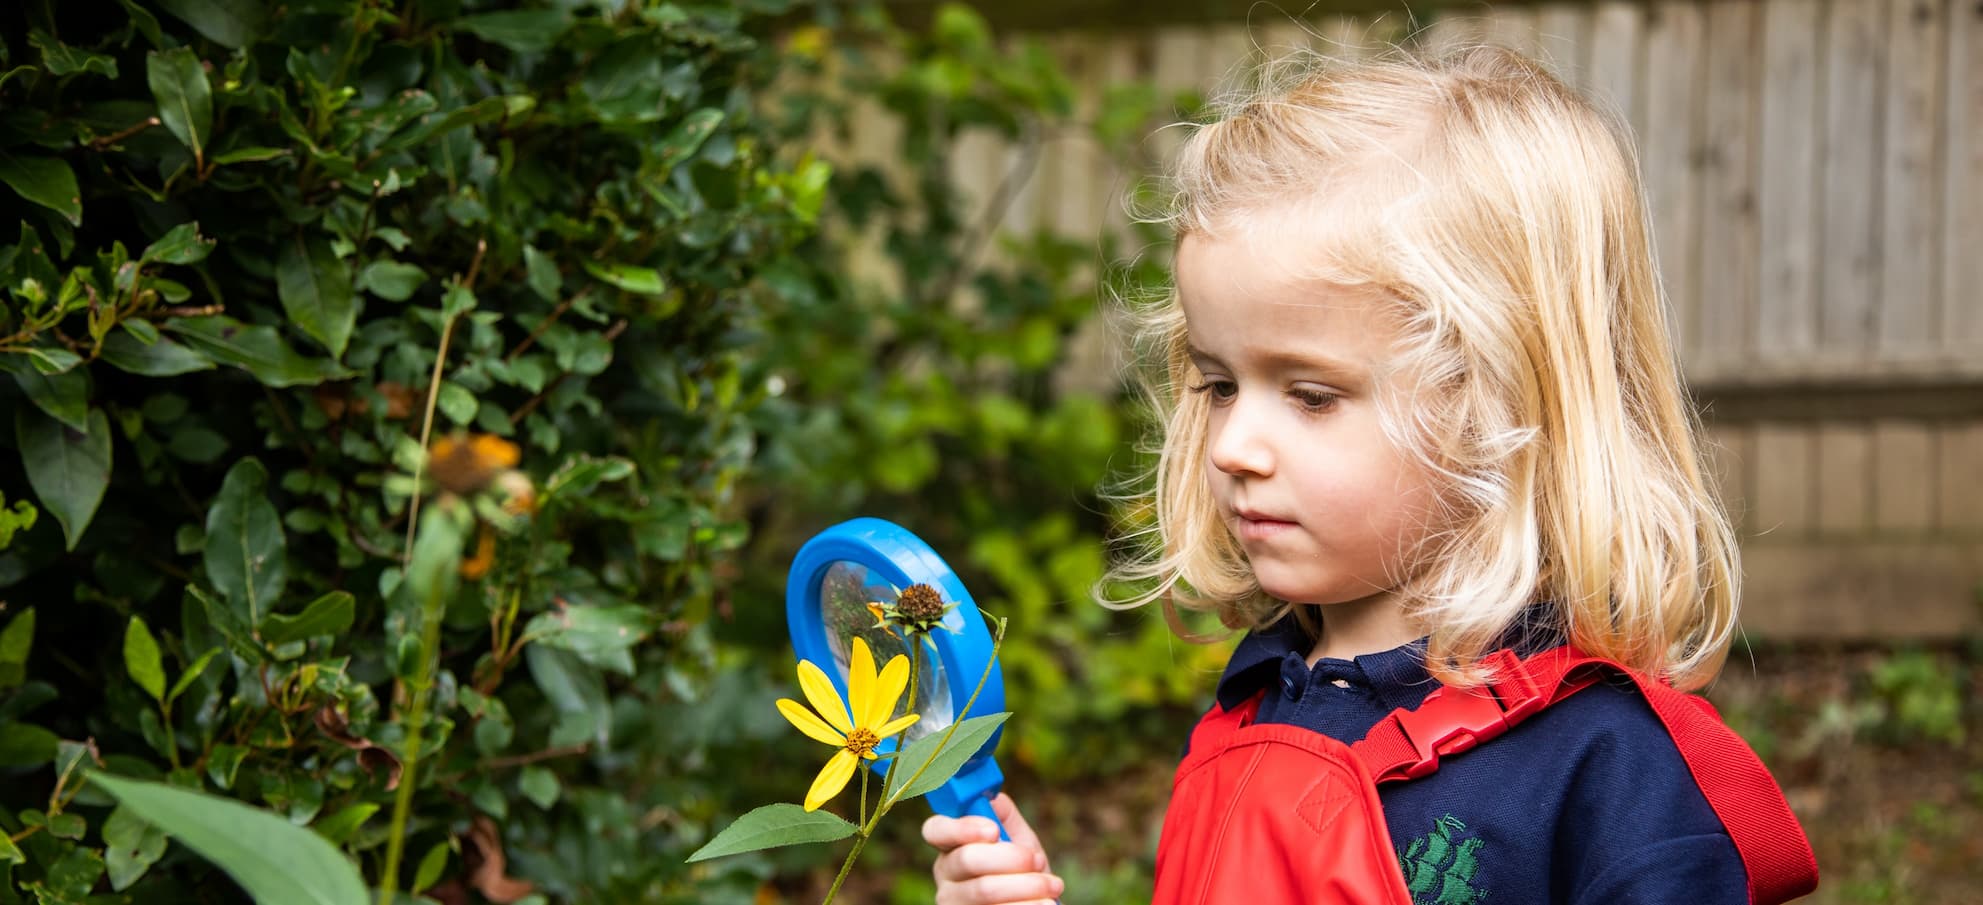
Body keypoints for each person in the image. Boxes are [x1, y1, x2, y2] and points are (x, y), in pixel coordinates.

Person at [921, 44, 1819, 905]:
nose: (1232, 445)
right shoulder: (1253, 709)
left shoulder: (1611, 771)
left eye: (1310, 396)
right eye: (1219, 384)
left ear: (1500, 405)